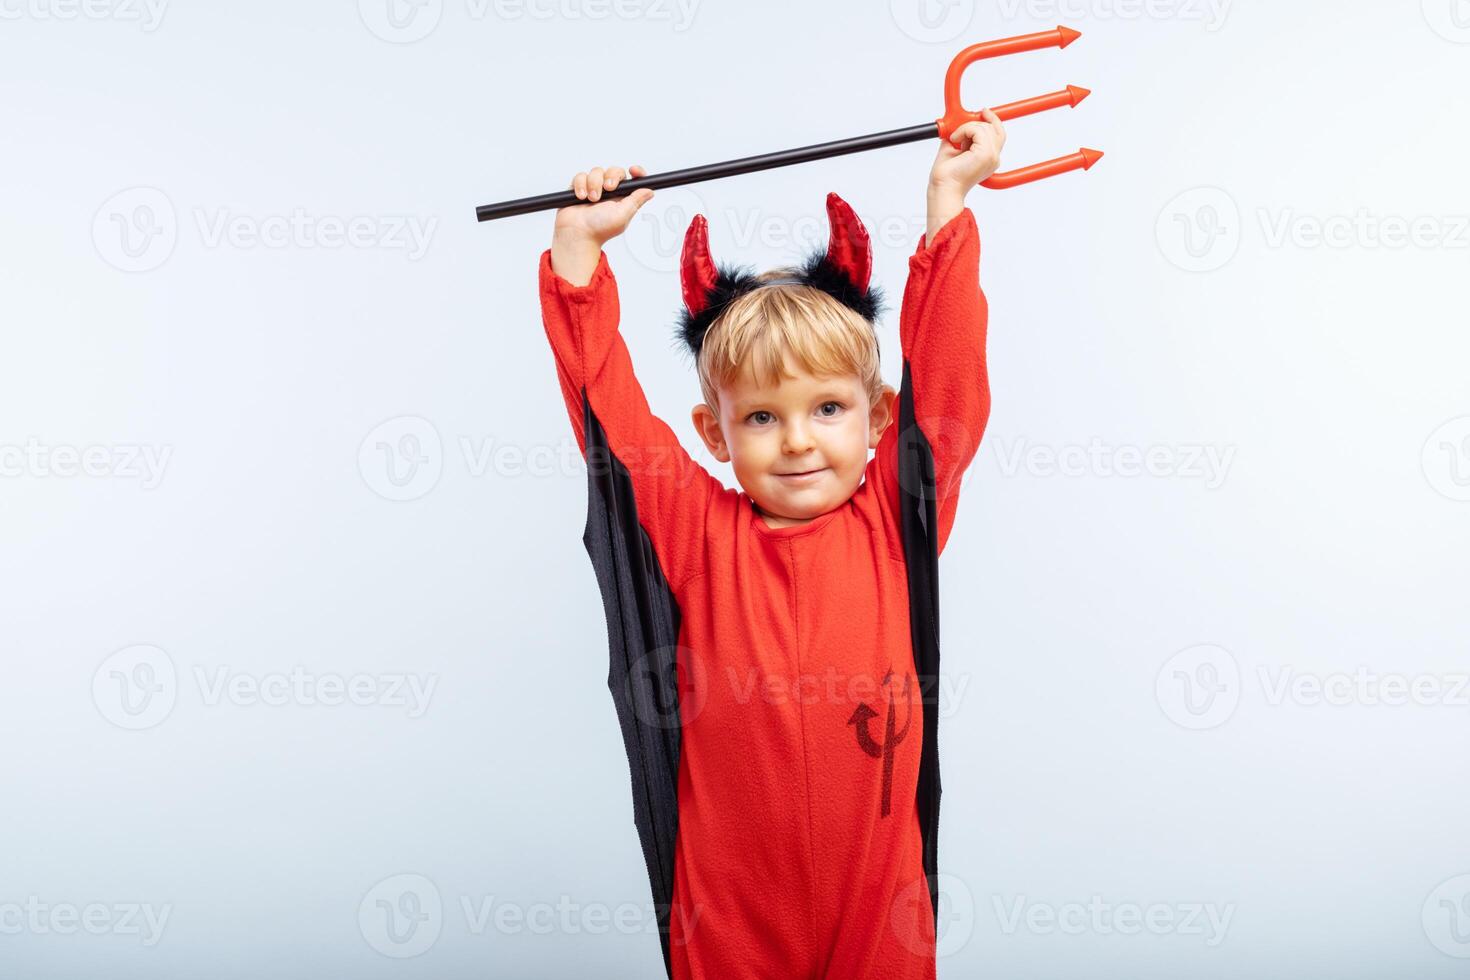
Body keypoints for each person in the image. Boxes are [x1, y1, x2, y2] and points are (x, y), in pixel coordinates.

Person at [536, 108, 1005, 979]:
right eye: (761, 416)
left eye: (828, 408)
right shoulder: (694, 532)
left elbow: (949, 390)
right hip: (730, 910)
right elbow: (612, 415)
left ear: (879, 418)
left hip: (879, 903)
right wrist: (577, 258)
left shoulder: (896, 528)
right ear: (714, 433)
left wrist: (947, 203)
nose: (796, 440)